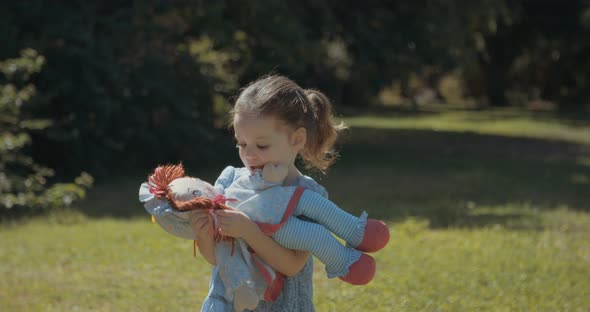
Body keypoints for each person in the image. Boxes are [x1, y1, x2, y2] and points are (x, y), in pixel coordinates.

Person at [190, 75, 389, 312]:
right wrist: (203, 235)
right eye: (241, 144)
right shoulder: (231, 182)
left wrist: (249, 231)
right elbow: (216, 258)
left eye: (261, 146)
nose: (249, 155)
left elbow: (292, 265)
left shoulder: (306, 194)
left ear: (296, 139)